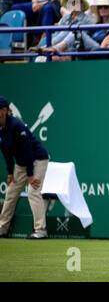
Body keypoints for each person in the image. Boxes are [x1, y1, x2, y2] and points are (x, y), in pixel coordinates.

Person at [0, 96, 50, 239]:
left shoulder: (16, 125)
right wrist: (10, 173)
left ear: (4, 111)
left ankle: (40, 231)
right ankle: (2, 229)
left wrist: (30, 174)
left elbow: (28, 150)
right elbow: (6, 152)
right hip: (21, 163)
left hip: (38, 159)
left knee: (34, 192)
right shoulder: (0, 129)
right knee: (10, 193)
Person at [31, 0, 109, 55]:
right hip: (89, 47)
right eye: (100, 7)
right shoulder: (96, 23)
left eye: (106, 7)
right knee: (71, 31)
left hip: (101, 49)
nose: (102, 9)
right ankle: (47, 46)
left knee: (77, 32)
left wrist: (103, 48)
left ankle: (56, 48)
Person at [29, 0, 93, 58]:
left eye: (75, 1)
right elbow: (58, 34)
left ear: (81, 4)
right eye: (70, 2)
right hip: (61, 51)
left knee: (75, 32)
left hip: (77, 51)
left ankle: (50, 49)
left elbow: (80, 38)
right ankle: (47, 48)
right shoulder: (65, 18)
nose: (73, 4)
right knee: (39, 58)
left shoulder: (88, 20)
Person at [10, 0, 76, 28]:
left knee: (47, 8)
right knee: (15, 8)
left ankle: (44, 36)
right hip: (38, 2)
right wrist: (35, 3)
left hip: (54, 4)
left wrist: (43, 4)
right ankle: (22, 38)